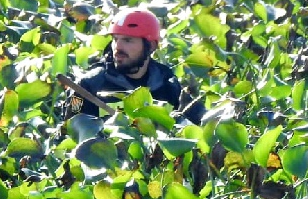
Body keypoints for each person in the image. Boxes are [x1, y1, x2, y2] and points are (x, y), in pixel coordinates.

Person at [63, 7, 206, 125]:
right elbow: (69, 131)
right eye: (115, 39)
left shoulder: (168, 85)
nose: (117, 47)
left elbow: (201, 122)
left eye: (127, 40)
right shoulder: (86, 86)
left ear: (151, 46)